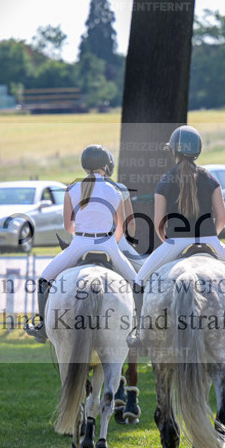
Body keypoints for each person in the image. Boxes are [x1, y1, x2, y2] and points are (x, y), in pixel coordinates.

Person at [132, 125, 225, 351]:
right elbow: (222, 217)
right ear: (198, 150)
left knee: (139, 281)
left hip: (175, 242)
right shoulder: (209, 178)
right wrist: (210, 239)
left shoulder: (165, 180)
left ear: (174, 151)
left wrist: (169, 240)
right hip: (209, 239)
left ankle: (139, 333)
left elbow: (160, 222)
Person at [24, 145, 137, 343]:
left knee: (44, 280)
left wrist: (84, 235)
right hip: (108, 244)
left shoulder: (72, 189)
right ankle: (139, 330)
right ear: (105, 165)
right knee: (138, 283)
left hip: (79, 244)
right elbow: (120, 229)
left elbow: (68, 226)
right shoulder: (114, 191)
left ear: (84, 165)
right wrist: (108, 240)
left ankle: (42, 326)